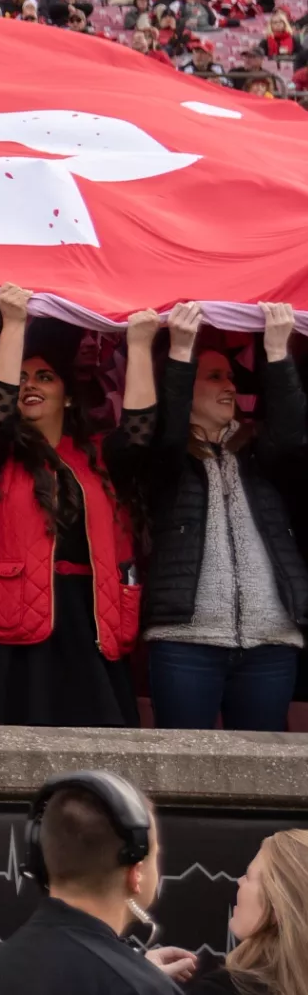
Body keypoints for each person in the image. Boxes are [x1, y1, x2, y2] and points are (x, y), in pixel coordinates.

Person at [0, 286, 155, 727]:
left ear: (67, 395)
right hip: (16, 631)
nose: (30, 385)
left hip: (90, 621)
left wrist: (139, 345)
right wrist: (12, 325)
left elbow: (140, 432)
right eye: (22, 378)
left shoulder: (98, 457)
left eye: (44, 377)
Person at [139, 301, 307, 732]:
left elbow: (291, 434)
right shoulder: (164, 459)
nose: (229, 385)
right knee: (178, 771)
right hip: (185, 638)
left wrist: (276, 352)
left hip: (271, 639)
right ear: (182, 389)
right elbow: (165, 434)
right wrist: (179, 351)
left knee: (262, 778)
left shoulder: (259, 451)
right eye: (214, 376)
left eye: (230, 375)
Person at [0, 772, 181, 995]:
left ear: (40, 862)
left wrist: (133, 969)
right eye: (155, 855)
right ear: (137, 873)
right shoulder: (144, 988)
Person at [186, 829, 308, 994]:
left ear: (279, 904)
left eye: (249, 876)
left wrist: (147, 981)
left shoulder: (220, 990)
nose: (239, 881)